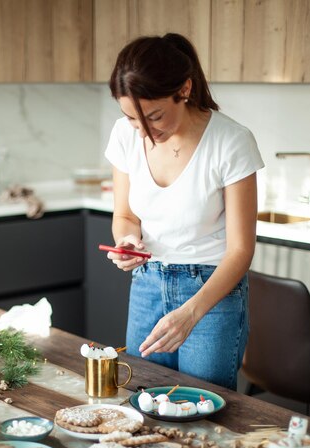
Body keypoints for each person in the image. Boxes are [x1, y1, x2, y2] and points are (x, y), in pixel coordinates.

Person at [104, 33, 264, 390]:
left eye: (155, 116)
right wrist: (127, 241)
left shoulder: (231, 141)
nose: (144, 130)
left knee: (202, 408)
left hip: (211, 292)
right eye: (132, 118)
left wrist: (192, 312)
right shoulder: (124, 135)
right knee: (139, 398)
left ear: (185, 89)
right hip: (147, 284)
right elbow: (126, 216)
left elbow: (241, 250)